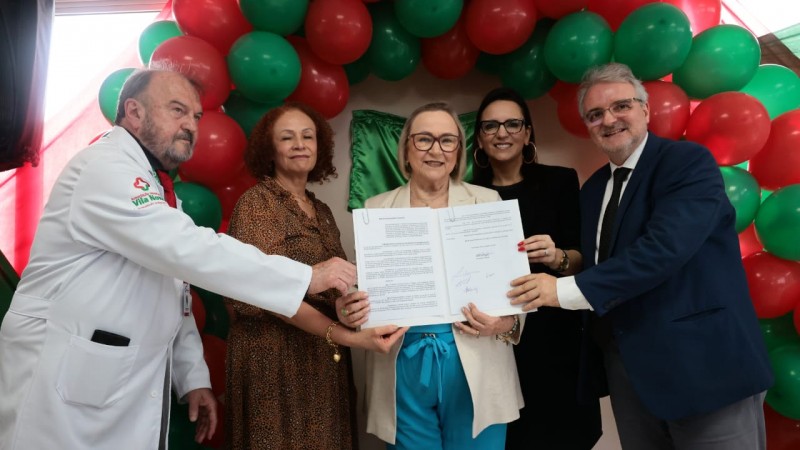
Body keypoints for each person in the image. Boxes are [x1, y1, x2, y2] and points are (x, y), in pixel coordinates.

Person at [0, 68, 360, 450]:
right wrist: (306, 276)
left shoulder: (160, 189)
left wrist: (193, 377)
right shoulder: (104, 167)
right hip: (62, 376)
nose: (190, 125)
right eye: (177, 111)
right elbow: (187, 248)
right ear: (134, 112)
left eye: (196, 116)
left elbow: (175, 291)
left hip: (113, 380)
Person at [508, 62, 773, 449]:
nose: (608, 120)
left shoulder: (687, 163)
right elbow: (606, 264)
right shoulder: (594, 188)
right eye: (595, 114)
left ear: (646, 110)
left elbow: (662, 250)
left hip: (704, 368)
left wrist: (558, 291)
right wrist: (562, 260)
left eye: (620, 106)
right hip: (629, 371)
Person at [338, 102, 524, 450]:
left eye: (447, 140)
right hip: (401, 363)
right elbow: (362, 286)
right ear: (406, 149)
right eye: (424, 139)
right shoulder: (376, 208)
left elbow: (515, 289)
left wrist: (506, 324)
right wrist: (349, 306)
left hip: (478, 363)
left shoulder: (488, 202)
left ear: (459, 151)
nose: (436, 150)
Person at [224, 102, 406, 449]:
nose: (299, 144)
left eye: (308, 136)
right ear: (269, 148)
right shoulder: (256, 203)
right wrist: (348, 336)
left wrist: (346, 308)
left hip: (322, 357)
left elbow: (331, 288)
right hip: (273, 360)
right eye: (287, 137)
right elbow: (266, 295)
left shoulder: (321, 210)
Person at [471, 87, 601, 449]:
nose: (502, 133)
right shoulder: (466, 194)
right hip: (494, 340)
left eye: (513, 123)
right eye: (490, 125)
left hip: (555, 334)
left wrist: (556, 256)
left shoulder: (560, 181)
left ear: (528, 133)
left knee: (560, 435)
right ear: (479, 139)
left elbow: (582, 258)